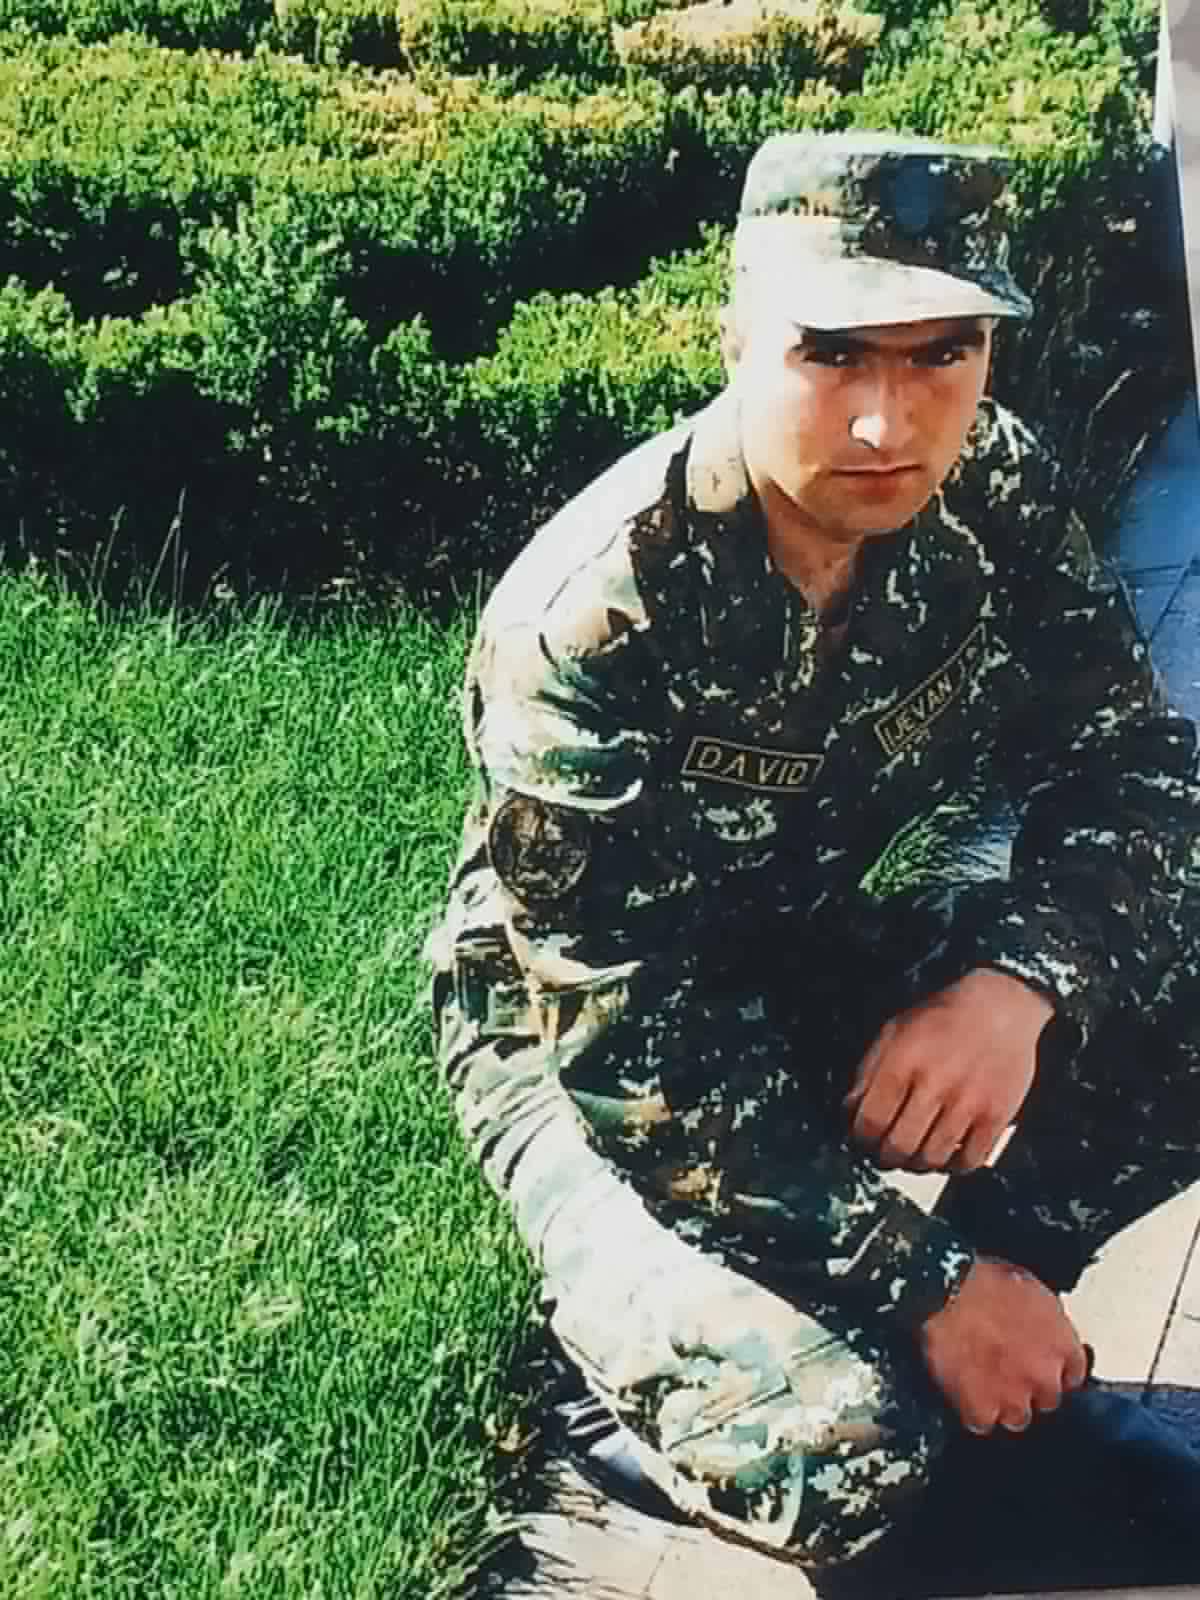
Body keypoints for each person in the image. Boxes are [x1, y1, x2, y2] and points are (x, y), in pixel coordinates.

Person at [423, 129, 1200, 1573]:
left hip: (812, 955)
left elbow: (1138, 769)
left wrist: (1015, 988)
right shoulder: (594, 619)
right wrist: (927, 1283)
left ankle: (1007, 1376)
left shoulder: (992, 494)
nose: (887, 421)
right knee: (844, 1461)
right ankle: (630, 1378)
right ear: (737, 341)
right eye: (832, 353)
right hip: (578, 1050)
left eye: (941, 354)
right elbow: (623, 1044)